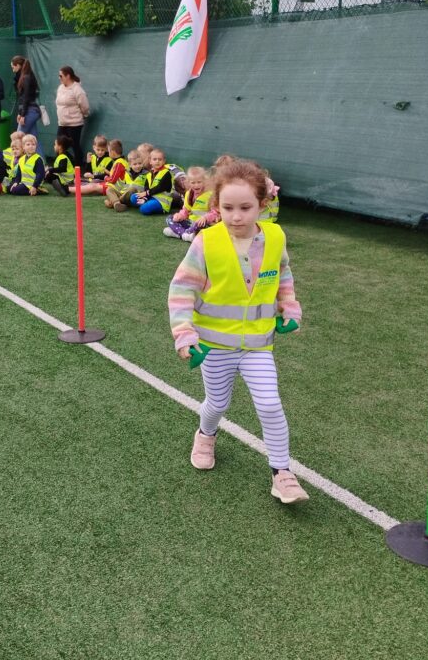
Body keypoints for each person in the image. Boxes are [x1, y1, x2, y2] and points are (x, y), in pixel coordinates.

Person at [169, 159, 308, 504]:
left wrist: (289, 307)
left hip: (258, 345)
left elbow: (284, 275)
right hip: (214, 346)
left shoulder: (275, 237)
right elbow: (182, 290)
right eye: (227, 208)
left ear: (262, 204)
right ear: (217, 205)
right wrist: (184, 334)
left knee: (270, 404)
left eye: (245, 208)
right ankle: (206, 434)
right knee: (217, 402)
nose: (235, 216)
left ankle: (282, 473)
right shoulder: (206, 242)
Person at [54, 66, 89, 167]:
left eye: (61, 76)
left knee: (74, 145)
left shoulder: (77, 90)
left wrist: (84, 115)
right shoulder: (60, 88)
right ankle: (60, 166)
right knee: (59, 145)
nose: (59, 78)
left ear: (68, 76)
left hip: (74, 124)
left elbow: (85, 106)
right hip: (62, 123)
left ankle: (78, 167)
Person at [164, 166, 212, 239]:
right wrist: (180, 215)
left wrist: (205, 218)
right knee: (170, 218)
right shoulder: (188, 194)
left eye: (199, 182)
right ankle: (185, 234)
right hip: (190, 222)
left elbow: (215, 212)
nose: (196, 185)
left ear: (204, 181)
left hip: (203, 224)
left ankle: (178, 233)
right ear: (188, 183)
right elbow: (186, 210)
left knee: (198, 225)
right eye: (193, 183)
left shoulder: (210, 195)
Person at [129, 148, 174, 215]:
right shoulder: (149, 174)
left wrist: (146, 194)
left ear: (164, 161)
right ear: (150, 161)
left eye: (160, 159)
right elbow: (146, 188)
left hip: (161, 202)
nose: (157, 161)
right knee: (133, 197)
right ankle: (146, 203)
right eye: (154, 159)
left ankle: (159, 209)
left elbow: (160, 188)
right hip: (151, 197)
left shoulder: (167, 173)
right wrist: (145, 199)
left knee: (143, 209)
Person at [11, 55, 41, 146]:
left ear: (18, 65)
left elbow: (26, 97)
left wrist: (22, 114)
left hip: (30, 111)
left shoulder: (26, 78)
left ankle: (15, 155)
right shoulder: (25, 76)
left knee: (17, 138)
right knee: (33, 140)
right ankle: (39, 155)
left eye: (13, 67)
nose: (12, 69)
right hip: (30, 110)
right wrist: (20, 113)